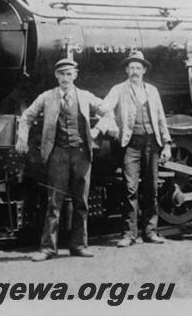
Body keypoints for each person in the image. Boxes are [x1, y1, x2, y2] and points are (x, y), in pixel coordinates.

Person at [15, 58, 116, 261]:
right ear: (56, 76)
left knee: (82, 202)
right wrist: (22, 138)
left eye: (69, 74)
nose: (65, 78)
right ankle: (47, 249)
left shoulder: (85, 96)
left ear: (75, 76)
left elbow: (108, 111)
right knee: (54, 203)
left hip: (81, 154)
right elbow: (26, 117)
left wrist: (98, 129)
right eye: (61, 74)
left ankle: (79, 246)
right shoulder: (47, 97)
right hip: (57, 154)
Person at [103, 50, 173, 247]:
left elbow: (160, 118)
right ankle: (129, 235)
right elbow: (104, 106)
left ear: (144, 70)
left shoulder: (152, 90)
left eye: (138, 67)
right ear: (127, 70)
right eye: (131, 67)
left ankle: (150, 232)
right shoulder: (118, 89)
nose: (134, 71)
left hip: (152, 144)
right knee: (129, 189)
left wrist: (166, 144)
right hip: (131, 145)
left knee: (152, 188)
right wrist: (110, 124)